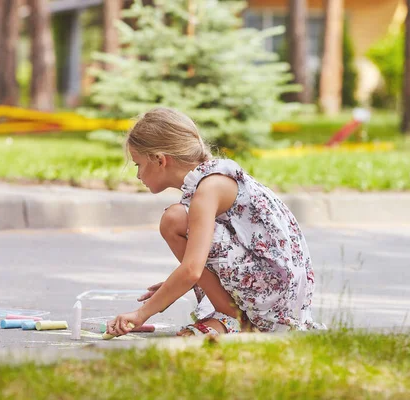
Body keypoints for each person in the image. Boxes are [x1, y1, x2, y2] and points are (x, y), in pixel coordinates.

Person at [106, 107, 324, 337]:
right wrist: (177, 286)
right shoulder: (210, 179)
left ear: (160, 160)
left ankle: (233, 319)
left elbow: (191, 269)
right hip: (280, 291)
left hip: (274, 297)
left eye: (138, 165)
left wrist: (142, 313)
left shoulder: (208, 189)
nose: (138, 175)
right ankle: (229, 318)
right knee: (179, 219)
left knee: (173, 220)